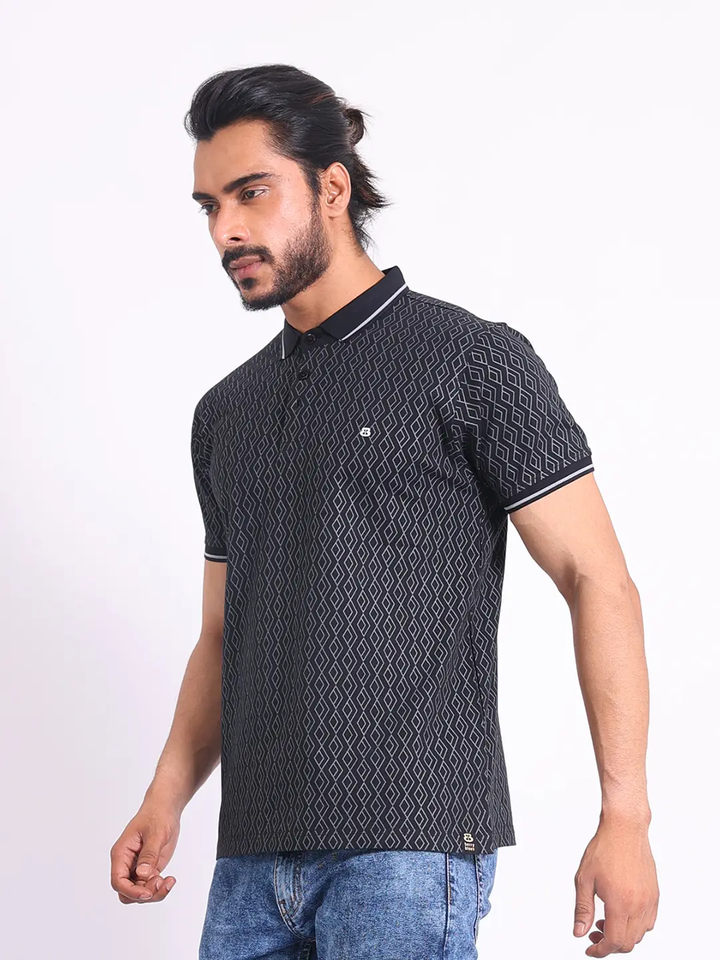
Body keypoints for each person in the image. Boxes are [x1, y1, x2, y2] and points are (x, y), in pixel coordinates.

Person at [110, 63, 659, 959]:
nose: (226, 229)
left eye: (251, 193)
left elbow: (598, 579)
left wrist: (626, 816)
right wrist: (165, 797)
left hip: (409, 847)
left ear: (332, 188)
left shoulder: (471, 359)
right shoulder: (225, 412)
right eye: (209, 205)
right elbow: (220, 634)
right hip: (250, 859)